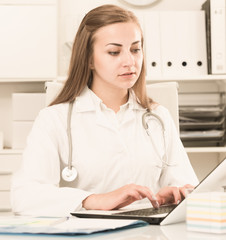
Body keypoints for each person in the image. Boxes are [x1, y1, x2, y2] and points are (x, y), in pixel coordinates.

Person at [11, 4, 198, 216]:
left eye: (135, 49)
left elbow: (188, 185)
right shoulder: (55, 119)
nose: (130, 61)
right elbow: (25, 196)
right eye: (114, 52)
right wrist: (94, 200)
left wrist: (177, 194)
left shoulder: (158, 116)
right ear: (89, 59)